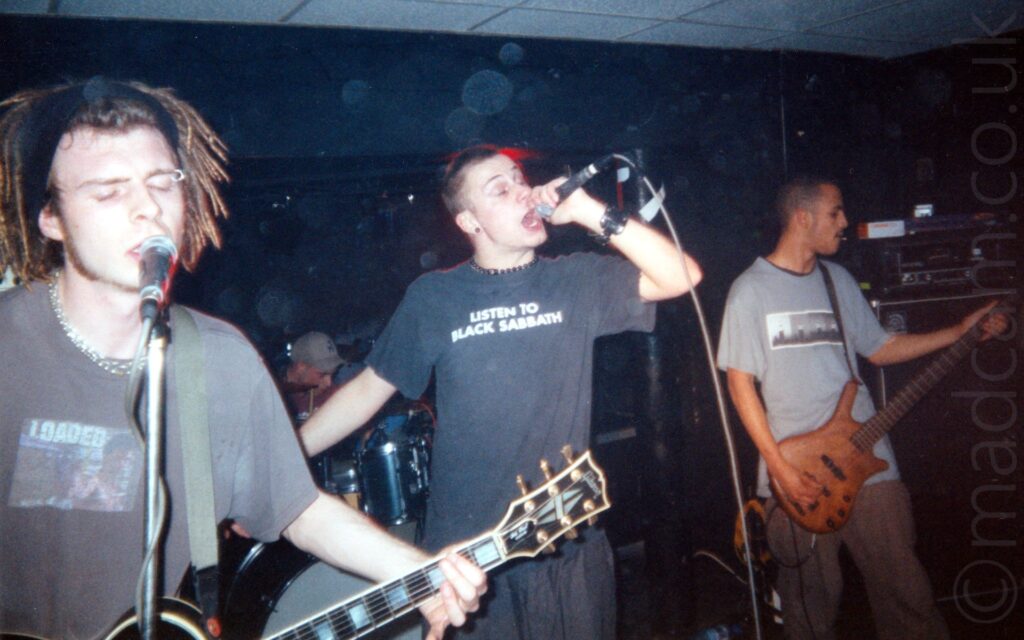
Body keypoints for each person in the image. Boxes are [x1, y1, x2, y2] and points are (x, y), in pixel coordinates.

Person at [0, 78, 485, 640]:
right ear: (51, 218)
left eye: (163, 183)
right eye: (107, 192)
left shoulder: (221, 359)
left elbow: (298, 509)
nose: (148, 210)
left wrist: (420, 574)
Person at [300, 144, 703, 639]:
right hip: (470, 559)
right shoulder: (435, 297)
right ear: (469, 222)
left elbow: (682, 275)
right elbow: (367, 389)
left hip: (567, 536)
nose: (524, 193)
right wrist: (282, 465)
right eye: (501, 189)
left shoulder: (574, 279)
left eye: (520, 178)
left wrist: (587, 210)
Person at [716, 176, 1009, 640]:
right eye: (836, 212)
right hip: (797, 473)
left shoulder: (838, 280)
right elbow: (739, 386)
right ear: (803, 217)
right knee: (812, 603)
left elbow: (880, 348)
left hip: (869, 455)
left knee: (905, 588)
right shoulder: (750, 291)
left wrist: (960, 330)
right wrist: (780, 469)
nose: (845, 222)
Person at [284, 330, 347, 423]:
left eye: (333, 374)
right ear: (301, 367)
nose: (329, 383)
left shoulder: (333, 395)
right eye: (322, 374)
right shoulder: (272, 393)